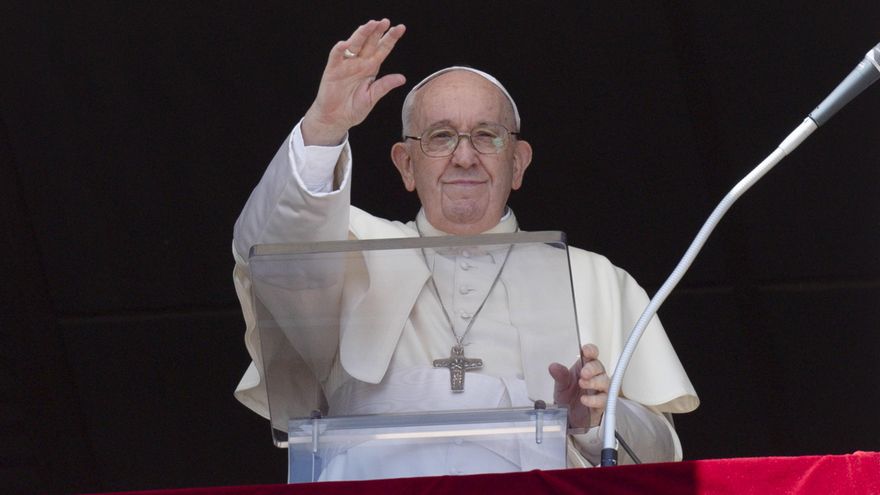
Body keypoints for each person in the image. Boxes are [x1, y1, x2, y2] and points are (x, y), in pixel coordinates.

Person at [232, 19, 699, 475]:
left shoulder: (593, 278)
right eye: (439, 136)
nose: (463, 155)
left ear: (517, 164)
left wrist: (592, 423)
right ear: (406, 166)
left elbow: (661, 457)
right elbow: (268, 259)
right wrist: (324, 127)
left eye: (486, 135)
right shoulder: (349, 252)